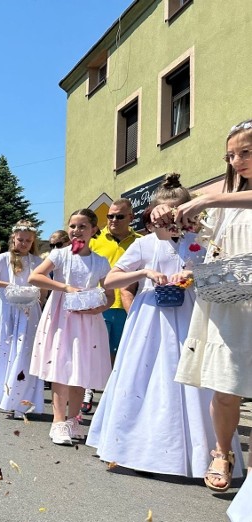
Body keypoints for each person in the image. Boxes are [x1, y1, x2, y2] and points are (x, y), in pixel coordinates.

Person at [88, 175, 244, 478]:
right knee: (144, 379)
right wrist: (146, 271)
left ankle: (202, 454)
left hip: (191, 315)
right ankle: (132, 448)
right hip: (151, 320)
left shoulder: (199, 241)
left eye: (177, 213)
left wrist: (193, 277)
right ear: (155, 215)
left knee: (189, 380)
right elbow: (110, 279)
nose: (172, 220)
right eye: (165, 214)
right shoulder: (146, 244)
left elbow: (216, 272)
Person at [150, 119, 252, 498]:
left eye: (245, 152)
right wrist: (174, 219)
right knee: (227, 387)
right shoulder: (226, 203)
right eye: (231, 155)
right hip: (232, 301)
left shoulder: (223, 198)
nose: (237, 160)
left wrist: (209, 198)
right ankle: (222, 452)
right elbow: (204, 241)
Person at [28, 209, 112, 445]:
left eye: (83, 226)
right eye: (73, 226)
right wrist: (64, 287)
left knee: (80, 370)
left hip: (87, 320)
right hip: (61, 318)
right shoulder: (61, 254)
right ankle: (58, 422)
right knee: (61, 368)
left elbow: (110, 295)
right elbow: (35, 277)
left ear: (94, 230)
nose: (77, 231)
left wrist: (98, 308)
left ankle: (74, 420)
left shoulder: (100, 261)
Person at [83, 198, 141, 413]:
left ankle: (108, 394)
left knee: (117, 353)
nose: (113, 220)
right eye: (110, 216)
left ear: (131, 218)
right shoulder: (95, 240)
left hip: (128, 306)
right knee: (95, 349)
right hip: (101, 305)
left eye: (119, 216)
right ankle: (87, 390)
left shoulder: (141, 241)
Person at [0, 221, 45, 417]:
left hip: (29, 311)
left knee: (25, 352)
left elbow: (42, 288)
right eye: (20, 240)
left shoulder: (37, 261)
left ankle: (22, 400)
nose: (24, 243)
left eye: (28, 240)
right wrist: (9, 285)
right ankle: (6, 396)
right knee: (7, 350)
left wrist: (36, 297)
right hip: (7, 310)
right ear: (13, 239)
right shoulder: (4, 258)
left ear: (33, 241)